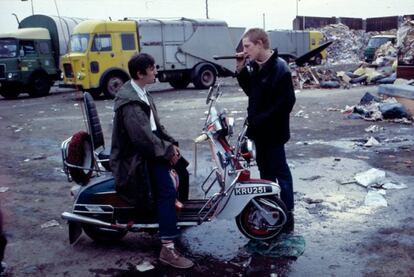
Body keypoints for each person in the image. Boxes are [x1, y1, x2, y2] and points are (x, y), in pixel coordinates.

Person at [110, 53, 193, 269]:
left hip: (148, 150)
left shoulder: (142, 93)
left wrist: (172, 144)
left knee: (182, 171)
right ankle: (167, 248)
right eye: (152, 68)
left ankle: (172, 221)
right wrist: (166, 151)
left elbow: (156, 127)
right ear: (140, 73)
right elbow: (143, 140)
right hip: (136, 158)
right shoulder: (130, 102)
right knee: (166, 190)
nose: (156, 71)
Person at [235, 28, 296, 232]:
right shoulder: (254, 66)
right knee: (265, 172)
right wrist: (240, 68)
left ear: (260, 44)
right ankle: (272, 208)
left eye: (247, 46)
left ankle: (287, 212)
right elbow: (250, 92)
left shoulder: (280, 68)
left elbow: (286, 103)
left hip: (273, 133)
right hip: (258, 132)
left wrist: (260, 119)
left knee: (281, 171)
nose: (244, 50)